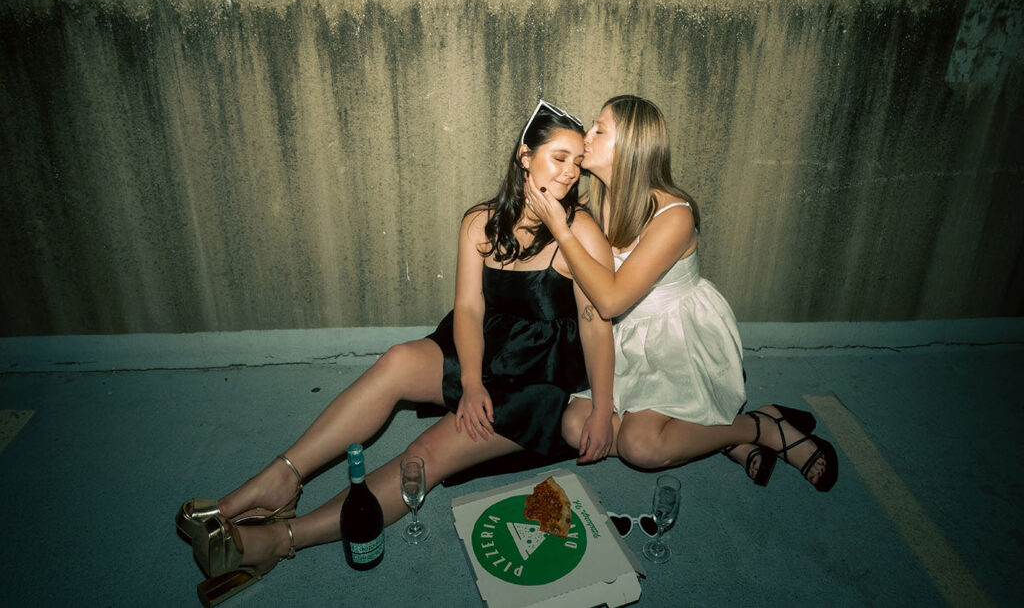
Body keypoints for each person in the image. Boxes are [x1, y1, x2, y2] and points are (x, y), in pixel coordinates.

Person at [176, 100, 615, 604]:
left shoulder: (580, 230)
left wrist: (601, 409)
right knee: (397, 361)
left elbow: (596, 328)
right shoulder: (480, 222)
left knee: (423, 456)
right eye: (559, 157)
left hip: (539, 379)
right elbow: (468, 312)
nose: (569, 173)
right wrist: (470, 383)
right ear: (524, 155)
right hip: (486, 349)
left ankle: (280, 539)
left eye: (578, 162)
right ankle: (279, 481)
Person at [524, 94, 838, 491]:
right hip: (623, 339)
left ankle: (759, 426)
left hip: (677, 337)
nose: (587, 135)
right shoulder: (592, 202)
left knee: (640, 446)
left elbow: (611, 300)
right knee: (575, 427)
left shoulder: (674, 215)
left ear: (633, 148)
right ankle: (720, 439)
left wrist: (561, 229)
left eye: (600, 130)